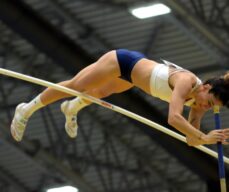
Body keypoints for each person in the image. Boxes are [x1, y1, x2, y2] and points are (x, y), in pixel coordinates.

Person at [10, 49, 229, 146]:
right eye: (208, 102)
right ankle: (26, 109)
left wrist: (206, 139)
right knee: (76, 85)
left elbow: (191, 139)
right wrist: (204, 137)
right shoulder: (187, 81)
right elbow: (174, 119)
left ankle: (72, 108)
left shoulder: (200, 104)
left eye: (211, 107)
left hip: (132, 79)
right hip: (122, 61)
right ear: (206, 86)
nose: (204, 107)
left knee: (101, 92)